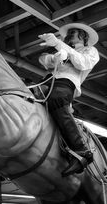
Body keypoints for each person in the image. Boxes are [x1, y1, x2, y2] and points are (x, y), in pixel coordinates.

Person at [38, 23, 100, 177]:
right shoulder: (60, 48)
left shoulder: (91, 51)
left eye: (75, 31)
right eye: (70, 31)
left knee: (56, 100)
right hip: (48, 80)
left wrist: (60, 45)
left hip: (66, 82)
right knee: (22, 95)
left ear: (84, 37)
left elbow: (82, 63)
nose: (71, 33)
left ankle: (81, 151)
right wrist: (52, 57)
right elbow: (43, 60)